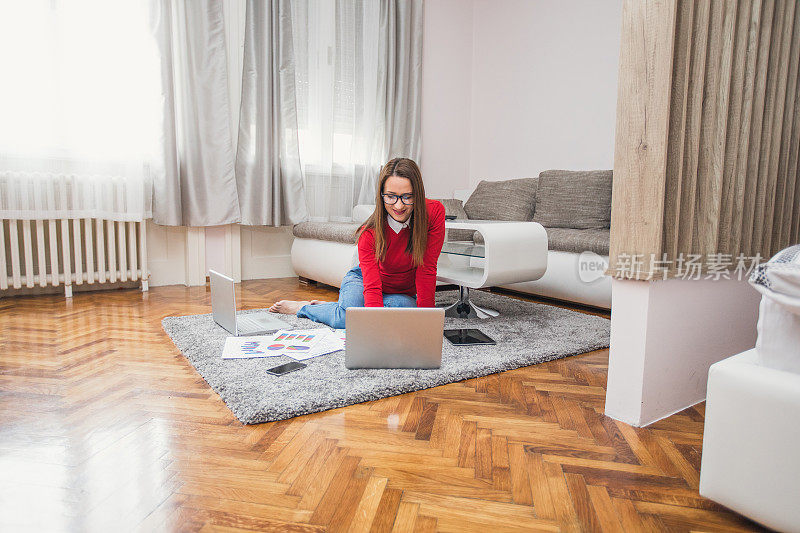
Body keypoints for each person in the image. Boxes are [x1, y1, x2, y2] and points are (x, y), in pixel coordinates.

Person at [269, 157, 445, 329]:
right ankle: (305, 308)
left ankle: (343, 307)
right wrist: (371, 317)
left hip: (401, 291)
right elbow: (373, 286)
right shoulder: (369, 233)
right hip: (364, 280)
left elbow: (427, 269)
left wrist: (426, 322)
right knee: (348, 319)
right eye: (391, 197)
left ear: (418, 194)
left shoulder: (434, 213)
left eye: (407, 196)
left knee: (405, 312)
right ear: (381, 195)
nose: (399, 206)